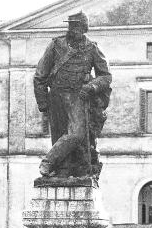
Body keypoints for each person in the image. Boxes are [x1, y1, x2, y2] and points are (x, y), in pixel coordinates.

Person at [34, 11, 112, 179]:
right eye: (71, 25)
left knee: (77, 134)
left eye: (76, 26)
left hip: (78, 96)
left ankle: (48, 162)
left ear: (84, 28)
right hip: (56, 96)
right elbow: (40, 75)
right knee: (58, 135)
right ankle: (62, 171)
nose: (72, 29)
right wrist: (43, 103)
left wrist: (92, 86)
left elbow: (106, 76)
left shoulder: (92, 48)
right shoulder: (56, 45)